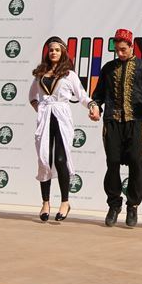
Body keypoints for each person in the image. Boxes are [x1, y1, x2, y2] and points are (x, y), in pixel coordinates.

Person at [87, 29, 142, 228]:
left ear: (131, 46)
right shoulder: (108, 68)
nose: (120, 53)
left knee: (137, 163)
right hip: (112, 121)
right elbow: (98, 95)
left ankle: (133, 206)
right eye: (117, 50)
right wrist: (94, 107)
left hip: (136, 121)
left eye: (123, 49)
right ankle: (114, 204)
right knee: (112, 162)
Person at [29, 36, 92, 222]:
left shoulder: (69, 75)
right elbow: (32, 96)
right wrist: (41, 109)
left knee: (60, 159)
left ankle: (65, 202)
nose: (53, 52)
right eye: (51, 50)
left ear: (63, 52)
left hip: (62, 118)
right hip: (45, 119)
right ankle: (45, 203)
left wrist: (92, 105)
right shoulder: (40, 74)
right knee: (44, 159)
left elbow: (82, 96)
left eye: (57, 50)